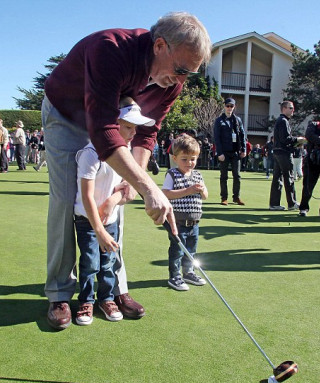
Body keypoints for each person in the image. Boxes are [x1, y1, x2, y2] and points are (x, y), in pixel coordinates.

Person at [42, 11, 212, 329]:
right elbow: (105, 132)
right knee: (68, 201)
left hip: (117, 120)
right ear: (159, 45)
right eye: (180, 70)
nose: (181, 81)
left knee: (118, 196)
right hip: (66, 114)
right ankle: (59, 293)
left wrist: (133, 185)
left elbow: (146, 133)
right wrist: (149, 187)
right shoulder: (110, 49)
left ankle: (114, 289)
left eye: (189, 74)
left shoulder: (171, 82)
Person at [74, 97, 155, 325]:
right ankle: (86, 301)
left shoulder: (125, 153)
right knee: (90, 262)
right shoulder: (90, 153)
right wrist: (98, 230)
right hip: (88, 222)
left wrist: (111, 202)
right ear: (112, 122)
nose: (132, 133)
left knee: (108, 263)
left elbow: (124, 187)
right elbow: (87, 195)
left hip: (111, 221)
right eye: (128, 126)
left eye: (135, 128)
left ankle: (106, 298)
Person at [162, 133, 208, 291]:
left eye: (193, 159)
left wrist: (201, 191)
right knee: (177, 251)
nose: (189, 163)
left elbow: (206, 195)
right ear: (175, 158)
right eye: (185, 159)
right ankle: (174, 276)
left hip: (194, 222)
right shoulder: (172, 174)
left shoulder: (197, 175)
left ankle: (188, 272)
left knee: (191, 250)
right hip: (178, 222)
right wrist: (188, 190)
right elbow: (166, 193)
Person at [269, 101, 306, 211]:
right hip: (283, 153)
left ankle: (274, 204)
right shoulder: (283, 121)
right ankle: (292, 203)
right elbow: (285, 139)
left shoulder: (281, 121)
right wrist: (298, 140)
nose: (292, 110)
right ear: (284, 109)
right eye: (290, 108)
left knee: (277, 178)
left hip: (277, 152)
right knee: (288, 177)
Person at [213, 98, 246, 206]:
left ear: (234, 107)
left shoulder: (237, 120)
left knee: (237, 176)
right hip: (224, 152)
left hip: (235, 152)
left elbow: (242, 135)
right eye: (227, 106)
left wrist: (243, 149)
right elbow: (217, 138)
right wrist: (219, 153)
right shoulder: (219, 120)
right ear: (224, 106)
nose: (229, 108)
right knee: (224, 176)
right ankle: (224, 197)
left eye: (231, 106)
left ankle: (236, 197)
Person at [299, 121, 320, 217]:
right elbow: (309, 135)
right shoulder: (314, 125)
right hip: (313, 161)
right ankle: (303, 208)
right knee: (308, 186)